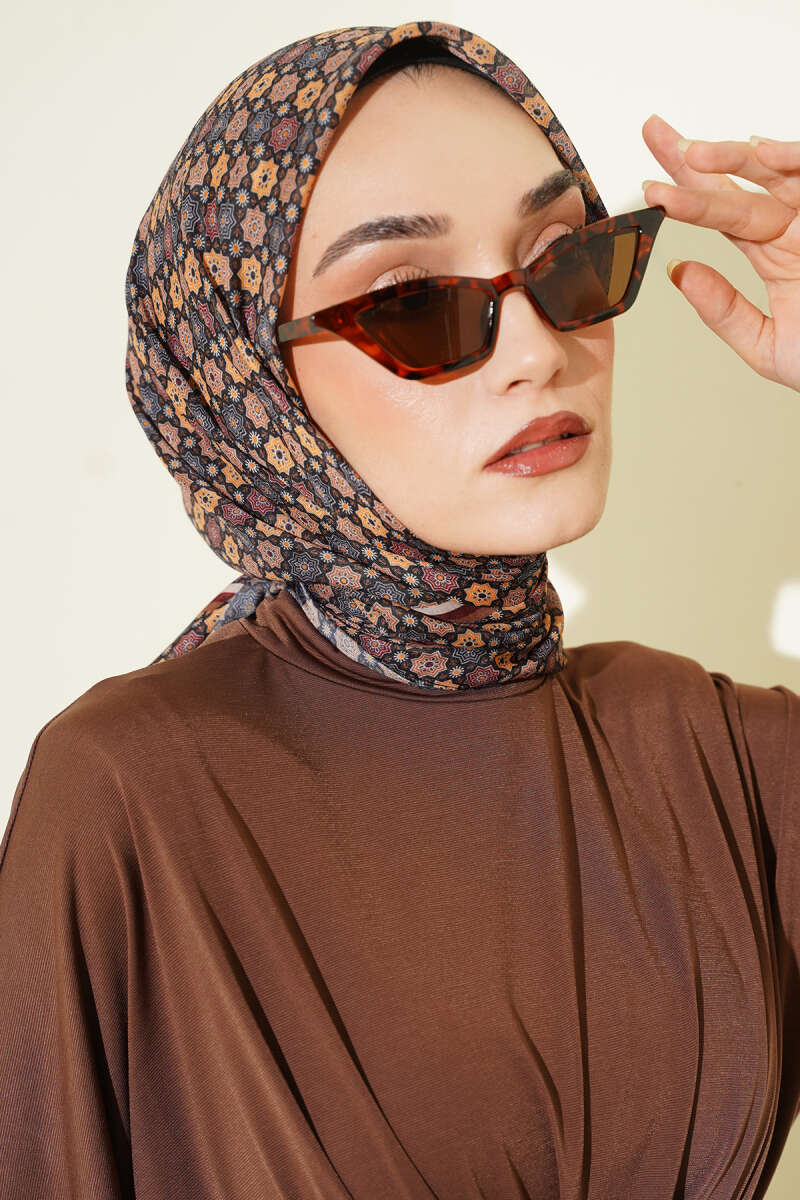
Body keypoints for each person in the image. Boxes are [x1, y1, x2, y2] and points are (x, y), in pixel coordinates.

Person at [1, 18, 799, 1200]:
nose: (536, 351)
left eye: (566, 260)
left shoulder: (707, 749)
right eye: (415, 303)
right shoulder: (132, 787)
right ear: (250, 382)